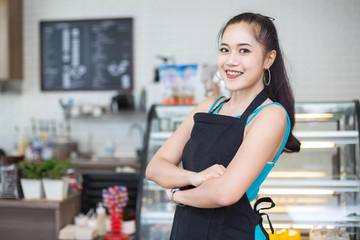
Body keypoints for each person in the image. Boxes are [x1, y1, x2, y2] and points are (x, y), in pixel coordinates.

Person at [146, 12, 301, 240]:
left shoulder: (270, 115)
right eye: (225, 49)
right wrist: (193, 178)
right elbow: (155, 168)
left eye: (244, 50)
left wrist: (176, 196)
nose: (230, 60)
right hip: (185, 232)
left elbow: (225, 193)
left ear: (269, 59)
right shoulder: (209, 105)